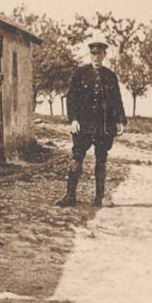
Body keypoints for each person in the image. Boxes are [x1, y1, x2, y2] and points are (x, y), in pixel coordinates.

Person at [56, 37, 127, 207]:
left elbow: (117, 99)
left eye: (99, 53)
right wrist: (72, 119)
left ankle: (99, 198)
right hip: (83, 124)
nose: (96, 57)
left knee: (101, 159)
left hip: (104, 125)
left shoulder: (110, 76)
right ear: (90, 54)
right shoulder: (80, 73)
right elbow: (71, 98)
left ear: (104, 55)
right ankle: (70, 196)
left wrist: (120, 120)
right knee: (77, 157)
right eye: (93, 53)